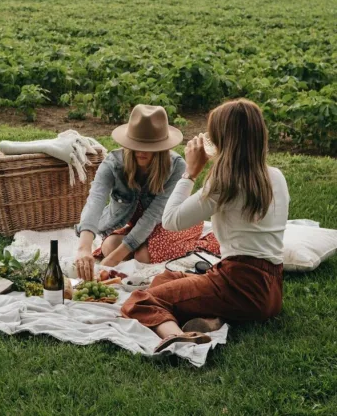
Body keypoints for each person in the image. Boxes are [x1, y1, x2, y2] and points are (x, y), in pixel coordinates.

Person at [121, 99, 290, 352]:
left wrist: (190, 172)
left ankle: (176, 335)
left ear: (223, 140)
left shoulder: (224, 185)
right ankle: (213, 318)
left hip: (238, 285)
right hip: (272, 289)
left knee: (140, 300)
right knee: (165, 279)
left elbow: (170, 221)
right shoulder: (276, 176)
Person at [75, 104, 218, 281]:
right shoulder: (113, 164)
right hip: (138, 226)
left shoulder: (175, 166)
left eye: (149, 147)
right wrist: (84, 248)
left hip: (170, 222)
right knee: (109, 247)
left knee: (143, 255)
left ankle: (203, 243)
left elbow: (153, 216)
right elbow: (95, 201)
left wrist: (112, 261)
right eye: (136, 144)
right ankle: (140, 244)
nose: (141, 151)